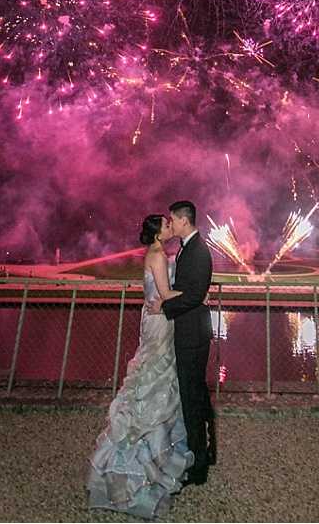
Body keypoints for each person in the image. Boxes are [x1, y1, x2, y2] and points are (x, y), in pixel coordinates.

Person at [87, 214, 193, 519]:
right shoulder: (158, 256)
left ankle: (155, 455)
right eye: (166, 222)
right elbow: (165, 294)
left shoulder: (159, 253)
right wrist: (198, 293)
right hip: (160, 322)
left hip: (160, 320)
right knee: (153, 378)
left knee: (155, 378)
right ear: (158, 233)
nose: (171, 223)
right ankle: (139, 468)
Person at [148, 200, 215, 486]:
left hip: (192, 335)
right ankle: (207, 451)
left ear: (183, 221)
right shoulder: (190, 248)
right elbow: (192, 293)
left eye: (172, 220)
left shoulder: (197, 251)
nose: (170, 225)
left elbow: (190, 296)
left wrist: (163, 306)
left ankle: (198, 465)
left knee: (191, 397)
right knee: (197, 393)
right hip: (192, 331)